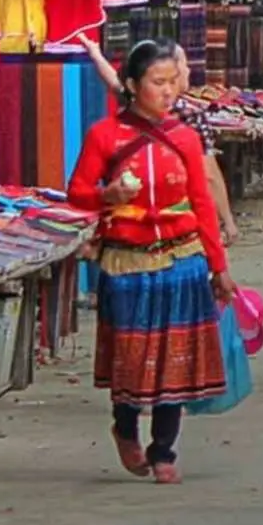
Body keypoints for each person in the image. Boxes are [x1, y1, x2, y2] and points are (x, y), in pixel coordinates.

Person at [67, 39, 237, 484]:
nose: (168, 92)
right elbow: (77, 193)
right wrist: (108, 196)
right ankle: (125, 427)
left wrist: (218, 266)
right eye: (157, 83)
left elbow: (201, 204)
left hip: (182, 262)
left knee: (175, 360)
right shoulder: (104, 136)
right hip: (126, 264)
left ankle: (165, 449)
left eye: (171, 82)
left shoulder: (184, 136)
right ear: (131, 85)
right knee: (131, 357)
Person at [76, 35, 238, 246]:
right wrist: (106, 196)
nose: (188, 72)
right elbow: (210, 177)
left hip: (182, 249)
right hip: (128, 254)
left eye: (173, 78)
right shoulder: (189, 116)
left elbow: (202, 197)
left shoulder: (178, 123)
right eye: (160, 81)